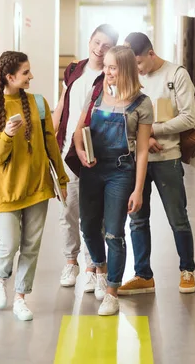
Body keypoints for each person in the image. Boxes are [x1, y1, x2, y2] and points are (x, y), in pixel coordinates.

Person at [0, 51, 68, 321]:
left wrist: (62, 180)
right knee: (9, 244)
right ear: (10, 77)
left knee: (31, 245)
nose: (31, 76)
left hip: (38, 187)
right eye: (26, 72)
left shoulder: (39, 104)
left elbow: (51, 144)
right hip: (7, 191)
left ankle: (21, 296)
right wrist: (7, 135)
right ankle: (0, 277)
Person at [74, 45, 152, 316]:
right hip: (92, 170)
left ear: (127, 69)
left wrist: (138, 189)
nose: (106, 71)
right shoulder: (95, 94)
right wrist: (82, 152)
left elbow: (142, 151)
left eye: (112, 67)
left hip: (121, 171)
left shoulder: (142, 103)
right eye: (105, 66)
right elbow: (78, 131)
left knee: (114, 233)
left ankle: (112, 292)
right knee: (88, 227)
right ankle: (101, 269)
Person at [119, 32, 195, 296]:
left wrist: (153, 132)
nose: (137, 70)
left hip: (167, 158)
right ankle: (143, 275)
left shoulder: (177, 75)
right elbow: (124, 114)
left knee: (178, 218)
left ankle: (187, 270)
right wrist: (142, 137)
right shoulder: (132, 76)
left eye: (139, 64)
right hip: (138, 159)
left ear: (151, 54)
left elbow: (188, 118)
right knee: (137, 219)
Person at [53, 24, 119, 292]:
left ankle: (93, 266)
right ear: (90, 40)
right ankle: (71, 261)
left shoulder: (111, 75)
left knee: (94, 214)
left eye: (106, 46)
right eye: (97, 42)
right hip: (68, 150)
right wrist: (51, 139)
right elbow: (61, 104)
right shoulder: (74, 70)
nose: (99, 49)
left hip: (96, 153)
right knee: (67, 210)